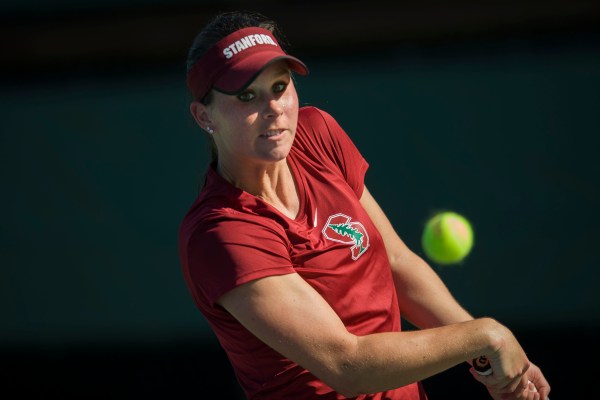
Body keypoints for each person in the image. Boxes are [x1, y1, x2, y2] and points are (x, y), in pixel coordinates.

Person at [178, 10, 551, 400]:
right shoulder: (220, 233)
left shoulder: (318, 133)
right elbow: (347, 365)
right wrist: (484, 336)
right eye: (246, 96)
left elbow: (397, 264)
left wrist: (493, 364)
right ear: (204, 115)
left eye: (279, 86)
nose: (274, 108)